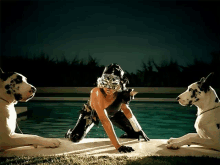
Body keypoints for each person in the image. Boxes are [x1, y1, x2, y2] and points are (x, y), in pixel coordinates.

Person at [65, 63, 150, 153]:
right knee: (75, 137)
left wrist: (138, 129)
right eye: (105, 82)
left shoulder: (122, 93)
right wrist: (117, 146)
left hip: (114, 113)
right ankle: (70, 133)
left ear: (120, 83)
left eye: (113, 83)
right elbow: (105, 121)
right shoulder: (96, 92)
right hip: (93, 114)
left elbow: (126, 110)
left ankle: (125, 136)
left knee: (135, 134)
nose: (108, 88)